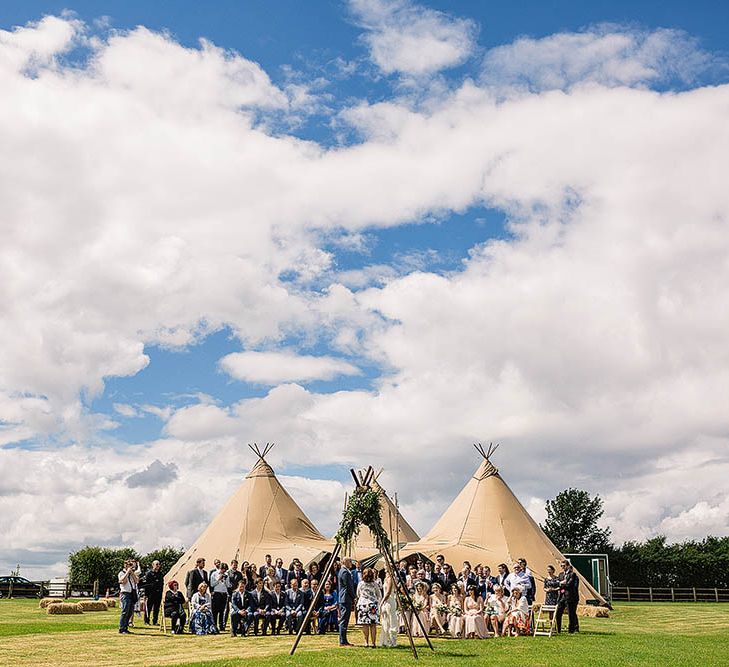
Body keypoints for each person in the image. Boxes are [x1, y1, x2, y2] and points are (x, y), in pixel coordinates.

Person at [355, 567, 382, 648]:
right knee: (373, 625)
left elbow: (358, 594)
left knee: (365, 625)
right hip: (372, 605)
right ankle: (373, 643)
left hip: (363, 605)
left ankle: (366, 642)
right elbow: (379, 594)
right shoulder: (375, 584)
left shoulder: (361, 584)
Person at [556, 559, 580, 634]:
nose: (562, 567)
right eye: (561, 566)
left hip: (570, 597)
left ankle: (571, 630)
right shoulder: (560, 575)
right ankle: (558, 629)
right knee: (558, 613)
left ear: (568, 566)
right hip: (562, 597)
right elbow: (558, 584)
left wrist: (562, 584)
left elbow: (569, 585)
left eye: (564, 566)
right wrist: (561, 584)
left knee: (571, 614)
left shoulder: (572, 574)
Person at [337, 556, 356, 646]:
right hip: (345, 598)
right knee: (344, 620)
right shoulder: (344, 572)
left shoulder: (345, 571)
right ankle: (342, 640)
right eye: (350, 561)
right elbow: (348, 586)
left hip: (345, 597)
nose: (351, 563)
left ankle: (344, 640)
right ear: (345, 562)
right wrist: (354, 596)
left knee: (345, 619)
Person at [118, 558, 139, 634]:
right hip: (125, 594)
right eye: (129, 565)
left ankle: (125, 627)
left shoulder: (132, 574)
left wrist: (132, 573)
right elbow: (123, 581)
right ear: (125, 565)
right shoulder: (121, 573)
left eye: (131, 565)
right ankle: (121, 628)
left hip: (131, 594)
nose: (130, 567)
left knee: (130, 612)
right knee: (125, 611)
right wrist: (127, 573)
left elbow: (137, 581)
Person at [142, 560, 164, 626]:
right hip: (150, 593)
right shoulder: (149, 574)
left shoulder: (160, 574)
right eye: (156, 564)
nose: (158, 565)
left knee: (156, 608)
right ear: (153, 565)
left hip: (158, 593)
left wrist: (161, 592)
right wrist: (146, 594)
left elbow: (161, 584)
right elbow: (146, 585)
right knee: (148, 608)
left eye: (159, 564)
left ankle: (155, 621)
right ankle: (146, 621)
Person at [379, 571, 398, 647]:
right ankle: (385, 640)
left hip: (390, 601)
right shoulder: (385, 578)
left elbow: (388, 592)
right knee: (385, 620)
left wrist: (382, 601)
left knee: (391, 620)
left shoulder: (391, 578)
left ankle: (392, 641)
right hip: (385, 601)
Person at [209, 562, 229, 632]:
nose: (224, 571)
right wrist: (219, 579)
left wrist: (226, 579)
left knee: (222, 611)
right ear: (220, 568)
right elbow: (212, 584)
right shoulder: (214, 574)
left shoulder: (226, 575)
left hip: (224, 593)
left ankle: (221, 626)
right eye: (223, 570)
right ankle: (214, 625)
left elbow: (228, 585)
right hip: (217, 593)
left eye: (225, 570)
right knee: (215, 611)